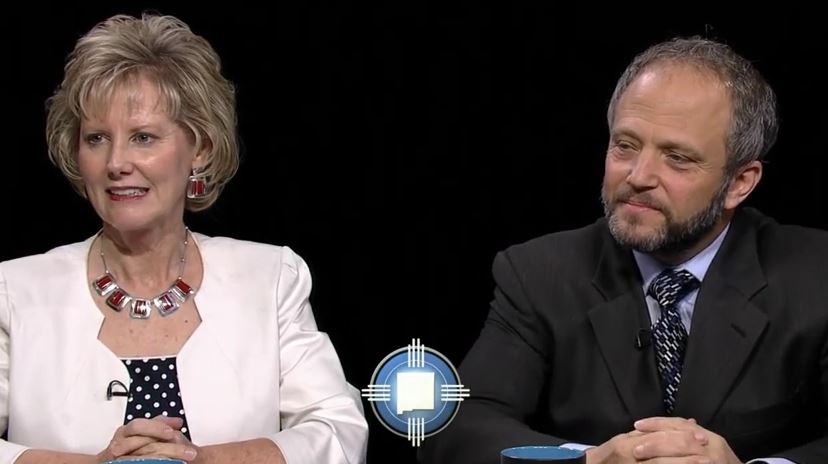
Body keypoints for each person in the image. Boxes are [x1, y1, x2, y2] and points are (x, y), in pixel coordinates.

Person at [419, 36, 827, 464]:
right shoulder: (537, 275)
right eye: (625, 145)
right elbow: (458, 427)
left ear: (739, 183)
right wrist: (590, 461)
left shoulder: (817, 275)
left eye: (677, 158)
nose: (638, 175)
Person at [0, 13, 368, 464]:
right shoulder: (14, 292)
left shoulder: (270, 279)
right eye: (96, 138)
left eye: (143, 137)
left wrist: (200, 459)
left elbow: (338, 431)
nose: (116, 163)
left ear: (200, 149)